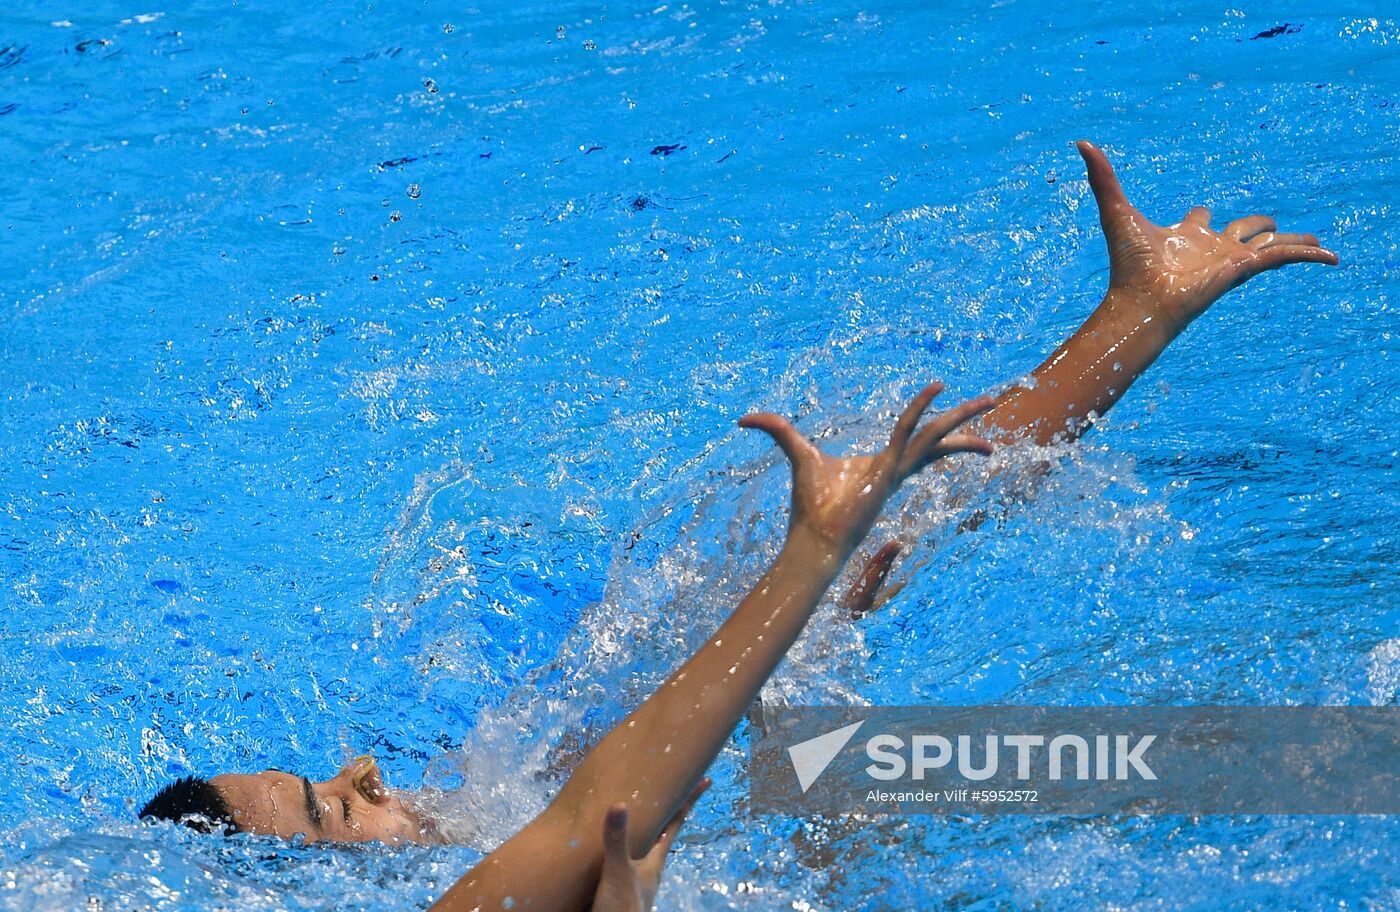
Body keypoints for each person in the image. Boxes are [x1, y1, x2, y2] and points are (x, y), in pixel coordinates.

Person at [137, 141, 1336, 909]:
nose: (360, 770)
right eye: (337, 810)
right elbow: (614, 795)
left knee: (837, 588)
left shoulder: (494, 786)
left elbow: (612, 782)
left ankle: (1130, 322)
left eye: (330, 777)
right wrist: (811, 558)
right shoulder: (482, 882)